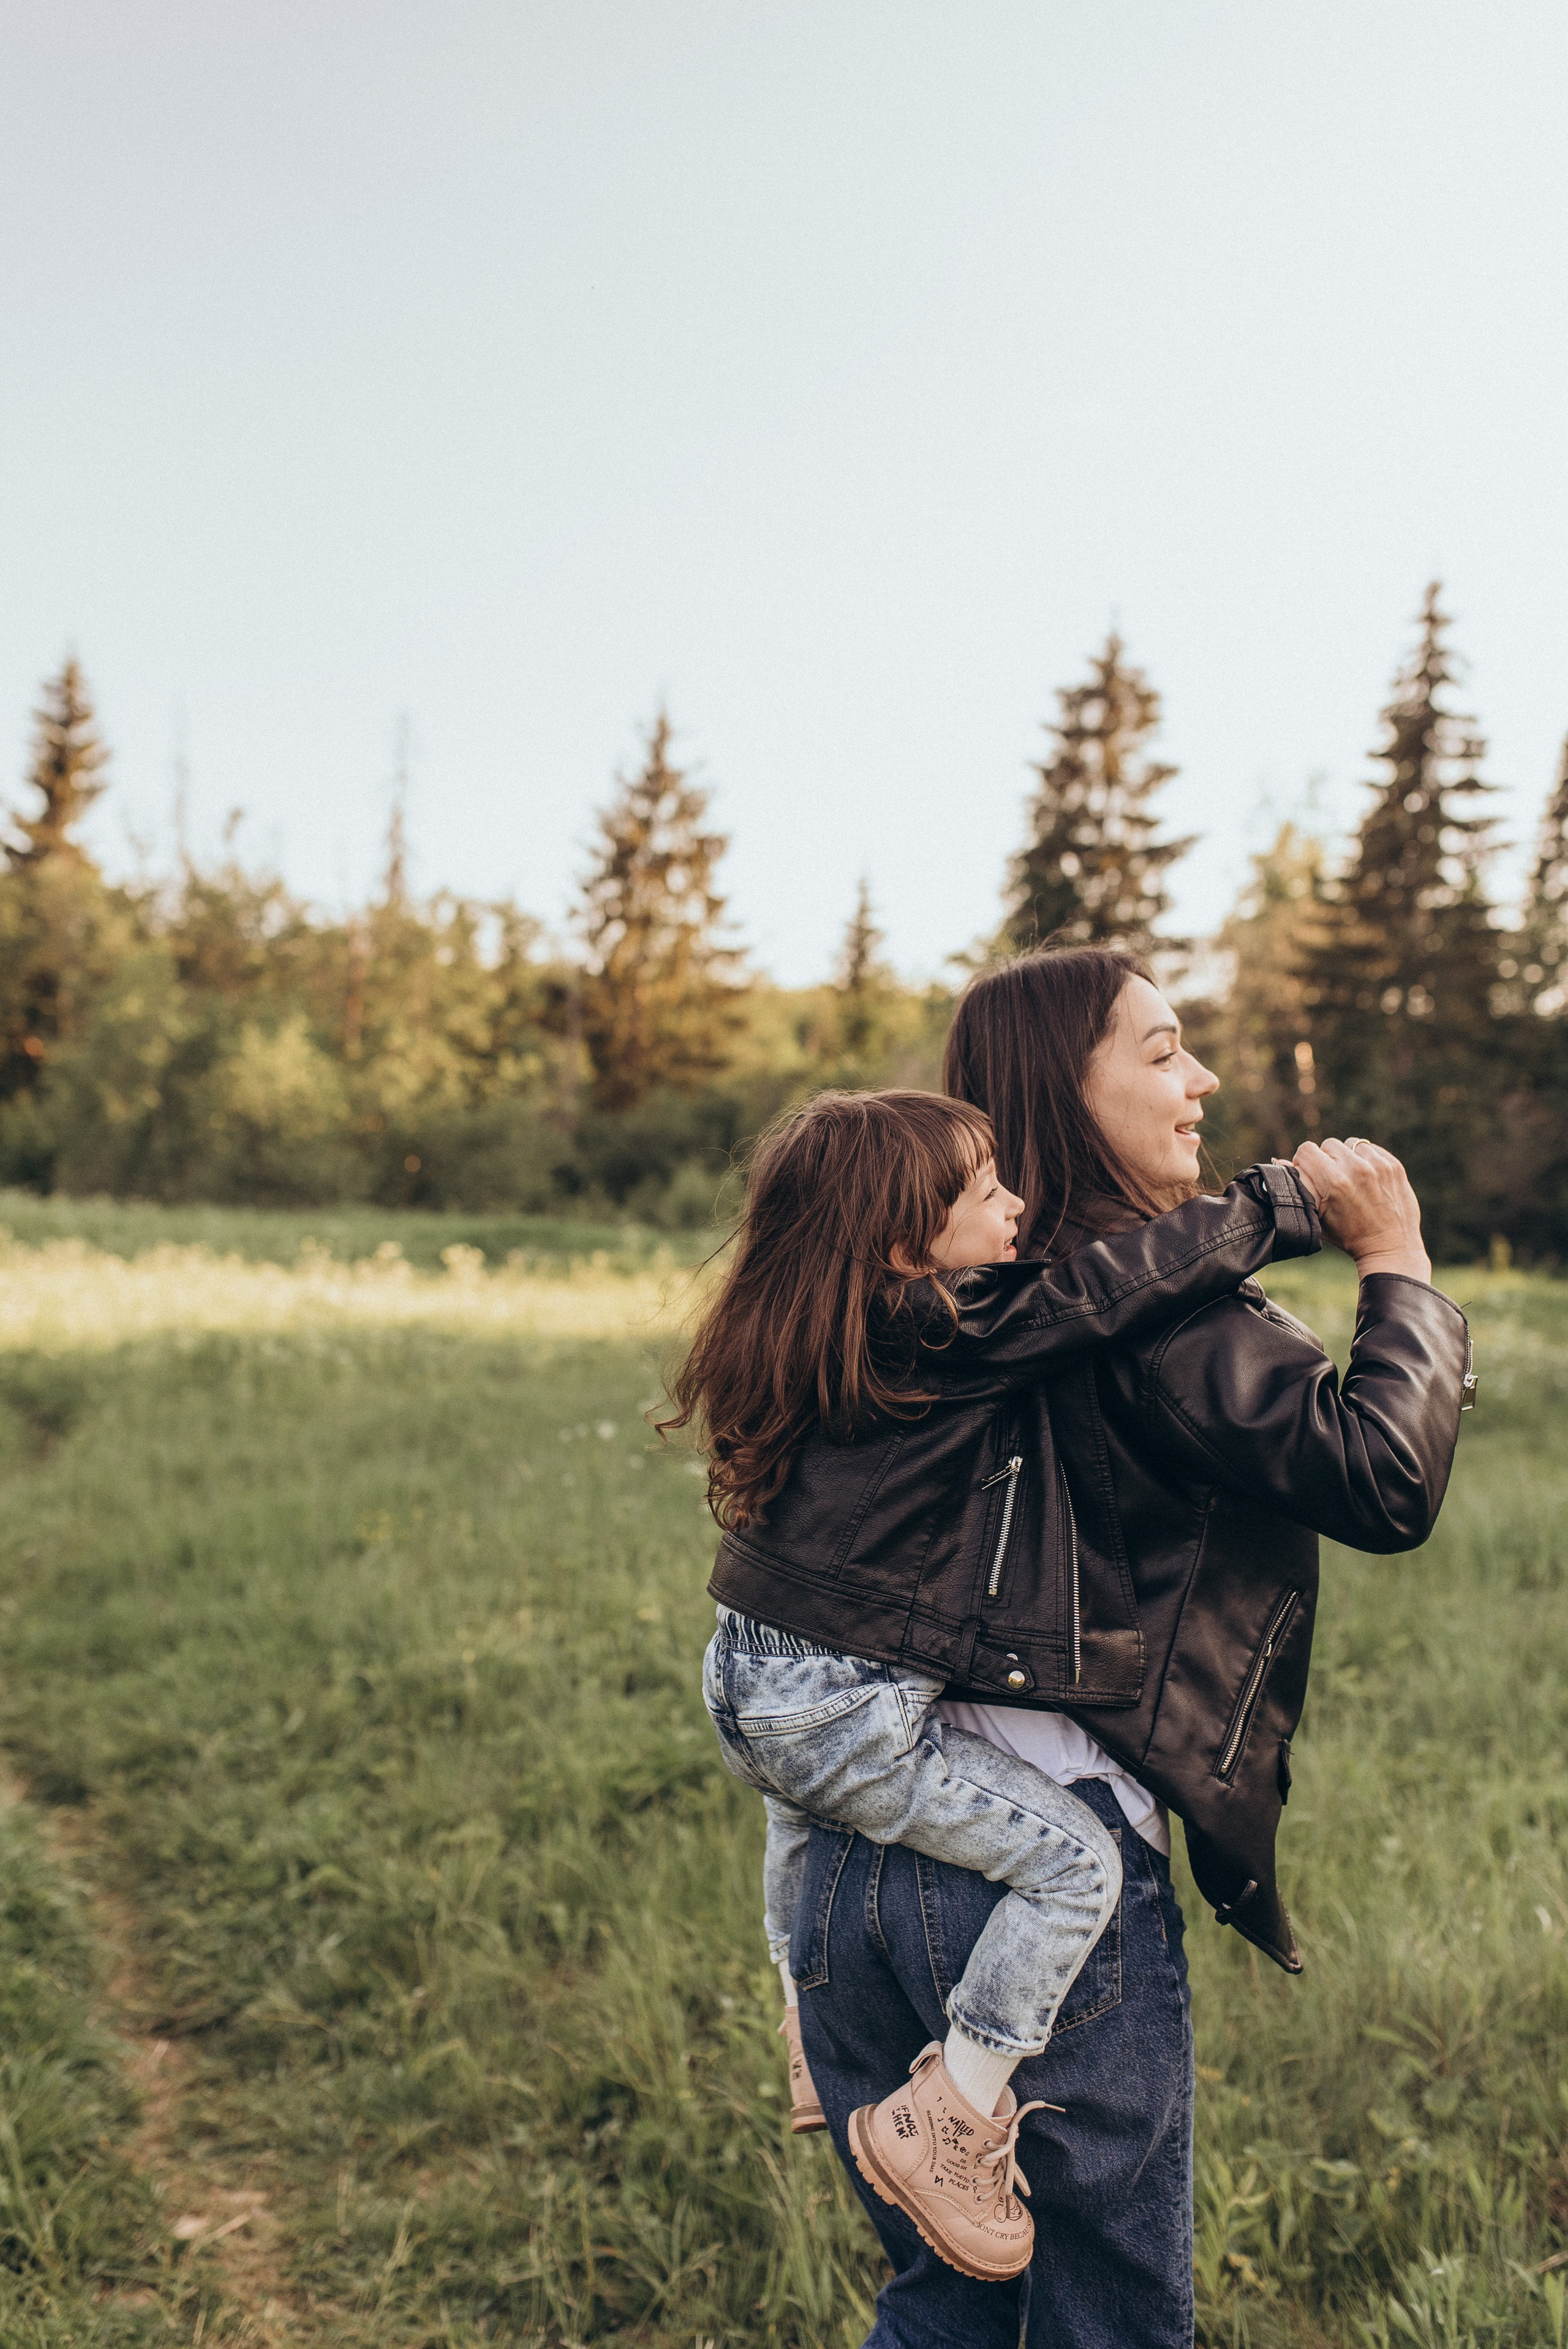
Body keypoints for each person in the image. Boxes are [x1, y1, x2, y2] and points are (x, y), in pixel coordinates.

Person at [793, 947, 1473, 2349]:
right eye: (1162, 1050)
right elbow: (1379, 1478)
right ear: (1068, 1086)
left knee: (951, 2309)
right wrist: (1393, 1258)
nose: (1202, 1078)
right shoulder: (1151, 1310)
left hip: (849, 1866)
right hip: (1043, 1872)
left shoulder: (955, 1293)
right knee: (1106, 2321)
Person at [669, 1085, 1327, 2279]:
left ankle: (811, 2035)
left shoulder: (813, 1325)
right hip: (847, 1708)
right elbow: (1098, 1293)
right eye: (984, 1192)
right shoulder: (940, 1321)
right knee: (1070, 1864)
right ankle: (946, 2112)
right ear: (903, 1248)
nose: (1016, 1202)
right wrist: (1277, 1202)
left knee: (800, 1824)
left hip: (744, 1676)